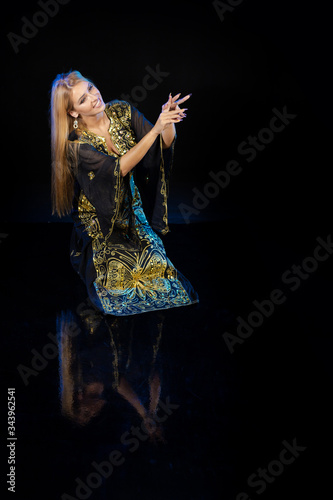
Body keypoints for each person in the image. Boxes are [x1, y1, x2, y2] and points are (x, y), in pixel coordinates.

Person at [50, 70, 199, 316]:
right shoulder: (76, 146)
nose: (94, 96)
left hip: (132, 210)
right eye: (83, 99)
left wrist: (167, 121)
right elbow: (117, 169)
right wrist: (155, 130)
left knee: (158, 267)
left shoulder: (122, 110)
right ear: (73, 112)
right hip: (100, 221)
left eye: (90, 88)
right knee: (116, 282)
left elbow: (162, 144)